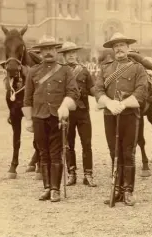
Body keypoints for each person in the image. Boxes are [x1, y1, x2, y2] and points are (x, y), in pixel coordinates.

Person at [23, 35, 80, 202]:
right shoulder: (33, 72)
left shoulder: (65, 70)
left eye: (51, 49)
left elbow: (74, 93)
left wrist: (65, 105)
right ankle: (46, 188)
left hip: (58, 118)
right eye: (45, 49)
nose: (48, 52)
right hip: (39, 116)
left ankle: (55, 189)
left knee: (56, 153)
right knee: (43, 153)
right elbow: (27, 98)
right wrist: (28, 120)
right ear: (40, 52)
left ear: (57, 51)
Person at [94, 32, 148, 206]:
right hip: (110, 115)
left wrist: (123, 104)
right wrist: (109, 103)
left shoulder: (138, 68)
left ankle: (128, 191)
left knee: (128, 153)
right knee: (113, 152)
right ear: (112, 49)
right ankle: (116, 189)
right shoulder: (105, 68)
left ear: (128, 47)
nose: (119, 48)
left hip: (130, 116)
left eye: (122, 45)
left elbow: (141, 92)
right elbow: (98, 90)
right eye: (115, 46)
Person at [57, 42, 97, 187]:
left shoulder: (84, 71)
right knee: (68, 144)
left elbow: (93, 89)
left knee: (86, 143)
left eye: (73, 52)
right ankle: (71, 173)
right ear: (64, 56)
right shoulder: (60, 71)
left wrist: (103, 98)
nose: (71, 55)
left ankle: (88, 174)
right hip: (67, 113)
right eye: (68, 53)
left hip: (83, 112)